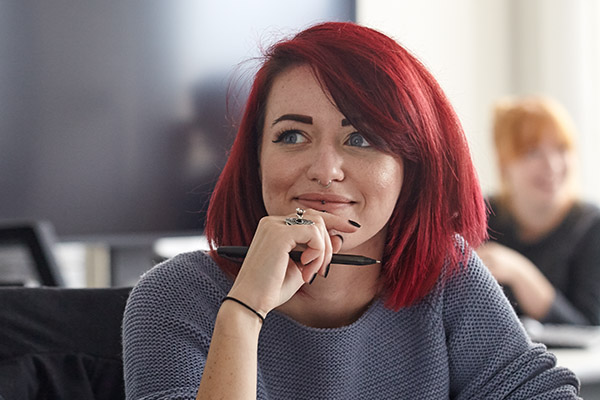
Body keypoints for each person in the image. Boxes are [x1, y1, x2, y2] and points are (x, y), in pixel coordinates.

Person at [122, 23, 580, 399]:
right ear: (255, 158)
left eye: (360, 139)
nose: (324, 170)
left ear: (411, 166)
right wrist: (242, 313)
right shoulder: (175, 295)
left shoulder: (447, 277)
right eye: (292, 136)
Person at [478, 95, 600, 326]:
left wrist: (520, 273)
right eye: (533, 152)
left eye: (562, 149)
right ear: (504, 163)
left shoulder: (591, 225)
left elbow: (589, 328)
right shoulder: (481, 215)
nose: (552, 165)